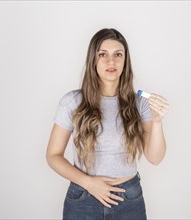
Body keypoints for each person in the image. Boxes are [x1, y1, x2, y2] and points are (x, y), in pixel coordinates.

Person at [46, 28, 169, 219]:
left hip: (129, 199)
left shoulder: (140, 103)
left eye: (118, 55)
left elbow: (155, 158)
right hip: (83, 199)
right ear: (93, 60)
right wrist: (88, 183)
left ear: (125, 61)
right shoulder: (72, 101)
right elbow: (53, 155)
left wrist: (157, 121)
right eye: (102, 54)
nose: (111, 61)